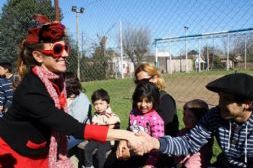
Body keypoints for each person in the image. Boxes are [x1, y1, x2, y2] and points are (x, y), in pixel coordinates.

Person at [0, 14, 146, 168]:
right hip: (15, 153)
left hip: (39, 149)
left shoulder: (57, 80)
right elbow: (74, 128)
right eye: (57, 49)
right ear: (38, 56)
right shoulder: (31, 90)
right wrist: (125, 134)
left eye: (65, 47)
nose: (65, 54)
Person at [133, 73, 253, 168]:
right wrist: (156, 143)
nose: (219, 104)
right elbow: (189, 143)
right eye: (220, 98)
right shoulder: (216, 115)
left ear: (247, 104)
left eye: (226, 99)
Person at [133, 63, 179, 167]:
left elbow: (167, 135)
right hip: (138, 147)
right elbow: (132, 125)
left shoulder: (165, 101)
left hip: (160, 152)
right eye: (138, 82)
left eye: (145, 81)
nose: (141, 85)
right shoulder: (139, 102)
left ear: (155, 78)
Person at [116, 81, 164, 168]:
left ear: (154, 101)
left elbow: (157, 145)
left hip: (146, 158)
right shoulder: (133, 113)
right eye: (139, 101)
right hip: (130, 154)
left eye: (147, 101)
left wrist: (149, 164)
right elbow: (129, 130)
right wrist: (122, 142)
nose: (143, 105)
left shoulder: (156, 120)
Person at [84, 89, 120, 168]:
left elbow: (112, 128)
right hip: (97, 138)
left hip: (107, 140)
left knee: (101, 152)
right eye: (96, 104)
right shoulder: (95, 116)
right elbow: (93, 126)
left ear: (108, 104)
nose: (98, 106)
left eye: (101, 103)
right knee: (87, 148)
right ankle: (88, 165)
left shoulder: (111, 116)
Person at [174, 99, 213, 168]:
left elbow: (197, 160)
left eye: (190, 116)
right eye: (184, 114)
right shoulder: (183, 132)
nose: (185, 119)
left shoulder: (203, 137)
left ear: (200, 118)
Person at [64, 71, 91, 151]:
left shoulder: (81, 99)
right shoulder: (65, 97)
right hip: (65, 130)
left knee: (59, 147)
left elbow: (76, 124)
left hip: (79, 133)